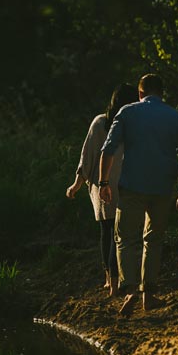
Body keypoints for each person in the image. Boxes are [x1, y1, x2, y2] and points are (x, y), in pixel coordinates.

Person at [99, 73, 178, 315]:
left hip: (132, 186)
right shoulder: (177, 117)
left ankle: (130, 289)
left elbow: (108, 150)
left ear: (140, 93)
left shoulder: (127, 113)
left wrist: (103, 183)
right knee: (153, 240)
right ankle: (148, 295)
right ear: (162, 93)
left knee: (125, 238)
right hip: (163, 188)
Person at [66, 83, 140, 297]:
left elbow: (87, 157)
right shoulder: (133, 123)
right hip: (125, 184)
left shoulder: (100, 123)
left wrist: (76, 185)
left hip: (103, 184)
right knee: (121, 235)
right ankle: (117, 282)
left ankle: (110, 281)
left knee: (107, 232)